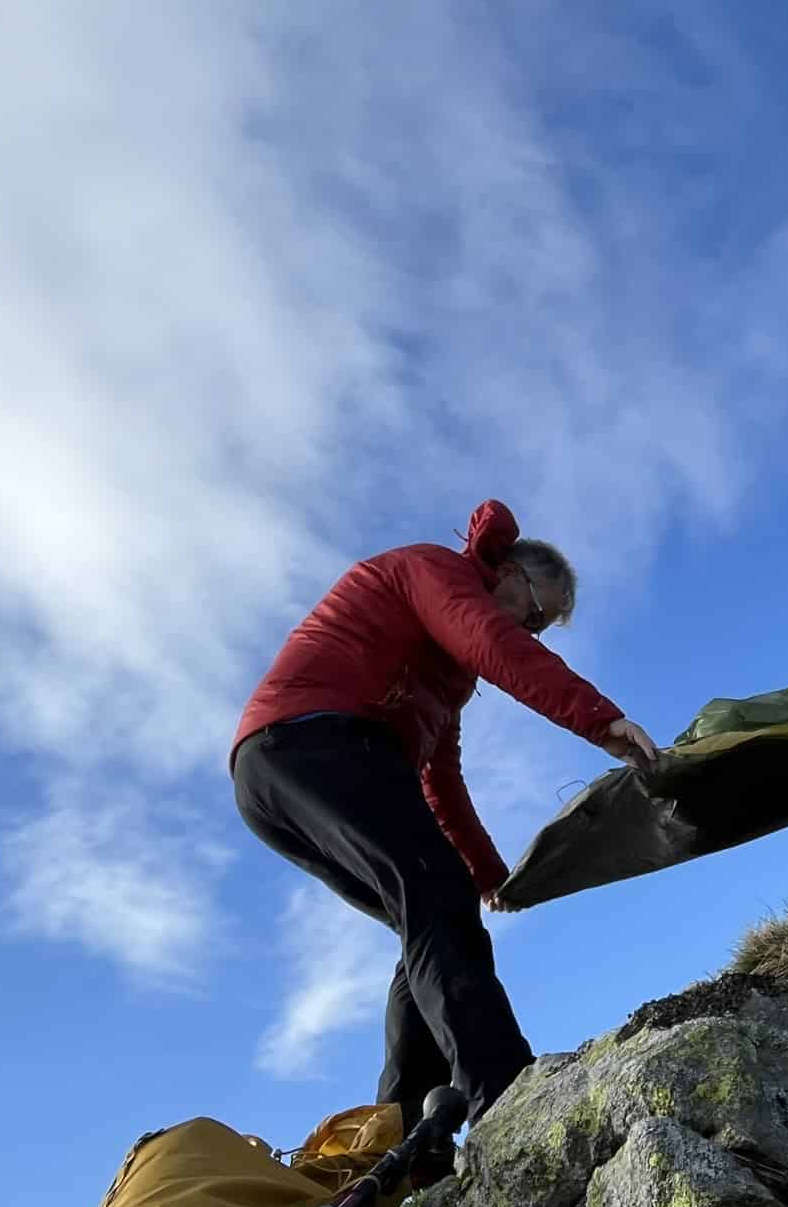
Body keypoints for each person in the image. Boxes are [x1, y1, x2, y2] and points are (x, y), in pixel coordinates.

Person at [228, 498, 657, 1169]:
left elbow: (440, 779)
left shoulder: (441, 674)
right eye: (536, 613)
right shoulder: (435, 572)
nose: (532, 631)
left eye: (543, 629)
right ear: (508, 571)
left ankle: (399, 1143)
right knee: (434, 904)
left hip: (277, 773)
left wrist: (487, 874)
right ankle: (507, 1094)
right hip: (316, 739)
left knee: (430, 921)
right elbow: (493, 640)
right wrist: (599, 720)